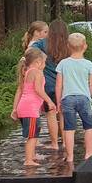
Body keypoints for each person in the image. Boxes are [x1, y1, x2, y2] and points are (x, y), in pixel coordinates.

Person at [55, 32, 92, 164]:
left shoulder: (63, 64)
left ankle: (70, 157)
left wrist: (58, 102)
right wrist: (88, 95)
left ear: (68, 46)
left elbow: (58, 85)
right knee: (88, 126)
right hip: (84, 98)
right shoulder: (89, 64)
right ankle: (89, 154)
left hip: (67, 99)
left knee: (69, 128)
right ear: (85, 46)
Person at [10, 47, 56, 167]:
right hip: (29, 109)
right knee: (32, 136)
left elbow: (23, 90)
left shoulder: (28, 71)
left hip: (25, 108)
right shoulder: (37, 72)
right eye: (44, 62)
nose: (45, 65)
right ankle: (28, 160)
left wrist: (15, 109)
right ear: (38, 62)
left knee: (34, 133)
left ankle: (32, 155)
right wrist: (50, 101)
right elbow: (38, 90)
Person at [31, 19, 70, 152]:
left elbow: (30, 51)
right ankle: (65, 142)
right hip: (65, 85)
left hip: (47, 85)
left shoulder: (43, 43)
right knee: (64, 114)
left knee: (51, 114)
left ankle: (54, 144)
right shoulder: (68, 44)